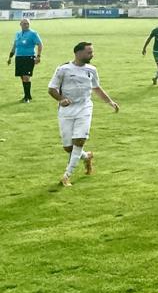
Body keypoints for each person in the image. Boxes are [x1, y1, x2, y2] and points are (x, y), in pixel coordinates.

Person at [48, 42, 119, 187]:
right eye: (89, 52)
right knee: (68, 147)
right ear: (78, 53)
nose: (92, 55)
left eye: (92, 52)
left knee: (79, 141)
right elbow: (51, 89)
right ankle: (86, 157)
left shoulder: (92, 70)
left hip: (85, 108)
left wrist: (110, 102)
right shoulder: (63, 69)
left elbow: (96, 88)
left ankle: (66, 176)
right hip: (66, 111)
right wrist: (61, 99)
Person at [8, 18, 42, 102]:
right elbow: (14, 46)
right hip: (19, 57)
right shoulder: (18, 34)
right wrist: (10, 57)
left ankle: (27, 98)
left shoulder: (33, 34)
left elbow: (40, 44)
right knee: (22, 77)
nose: (26, 25)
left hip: (29, 57)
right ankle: (28, 95)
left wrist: (38, 56)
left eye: (27, 24)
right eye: (24, 24)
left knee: (26, 77)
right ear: (20, 25)